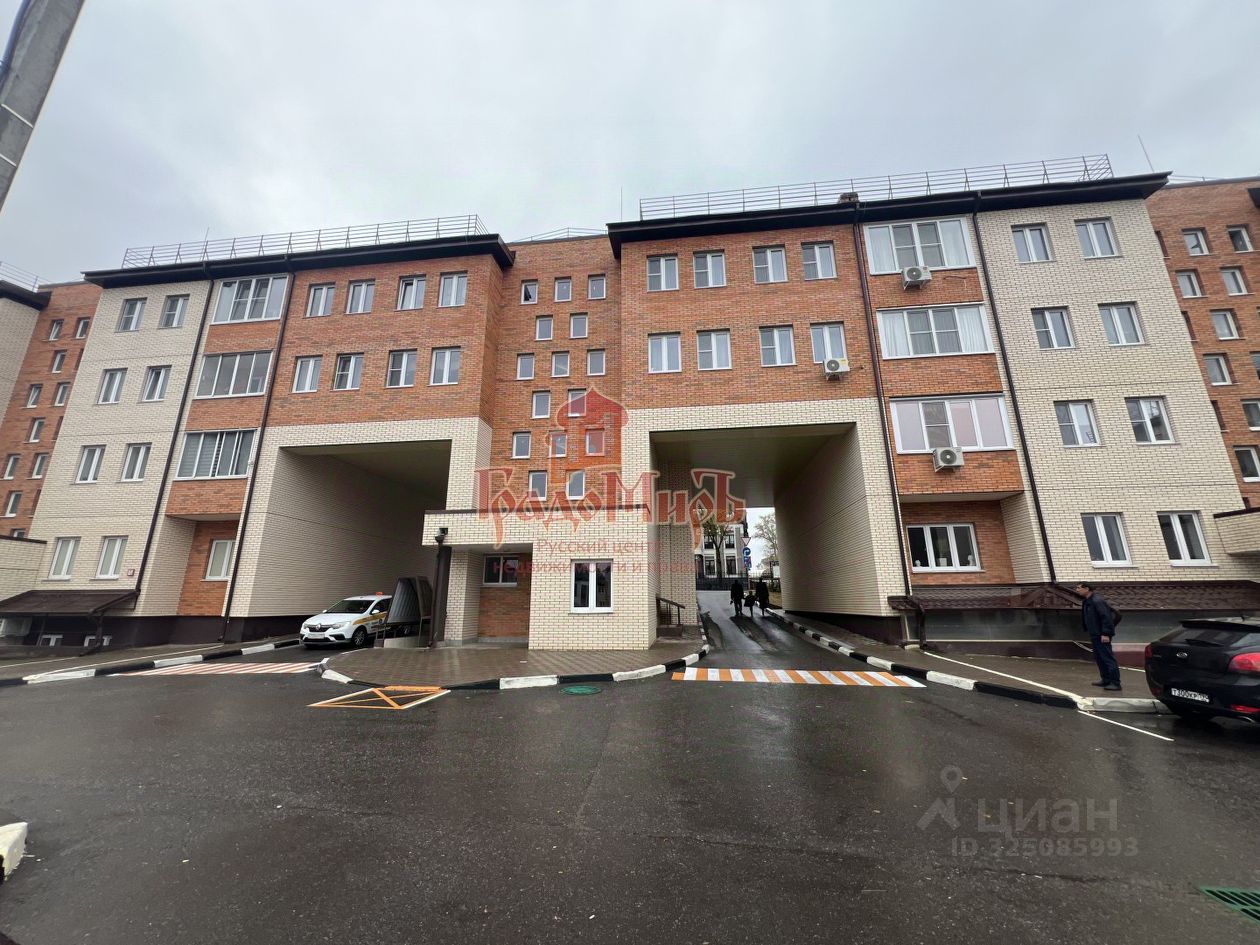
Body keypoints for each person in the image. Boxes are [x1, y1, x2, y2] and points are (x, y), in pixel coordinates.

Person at [1076, 582, 1121, 691]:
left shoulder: (1097, 601)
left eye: (1078, 588)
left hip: (1102, 635)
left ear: (1087, 589)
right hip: (1095, 634)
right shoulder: (1087, 601)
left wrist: (1106, 633)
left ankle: (1115, 683)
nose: (1077, 590)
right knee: (1100, 658)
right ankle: (1106, 679)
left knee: (1107, 658)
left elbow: (1106, 617)